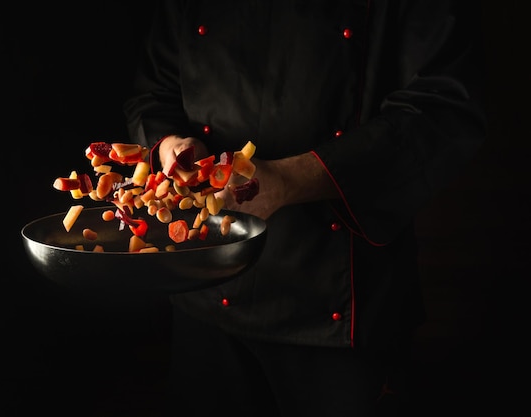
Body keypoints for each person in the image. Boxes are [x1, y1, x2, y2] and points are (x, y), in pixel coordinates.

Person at [123, 1, 487, 416]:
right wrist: (172, 145)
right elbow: (154, 92)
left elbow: (442, 108)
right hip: (206, 285)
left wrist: (287, 180)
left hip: (338, 305)